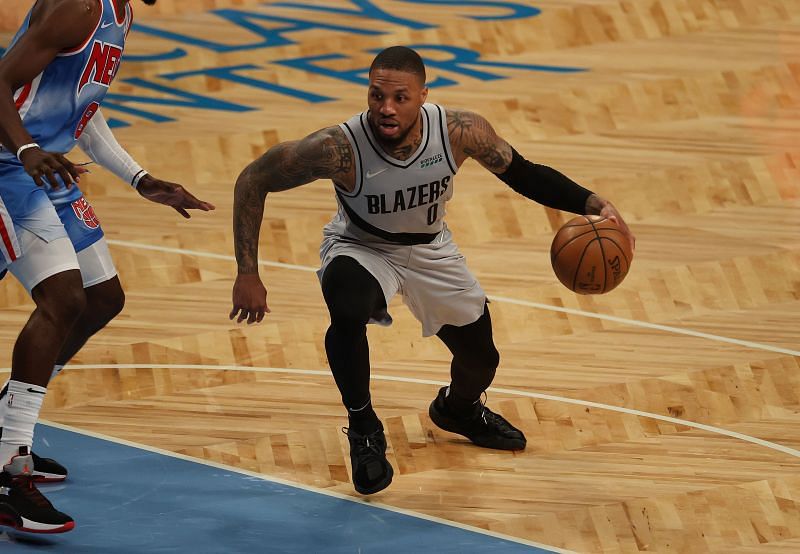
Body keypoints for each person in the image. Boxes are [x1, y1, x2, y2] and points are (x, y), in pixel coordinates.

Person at [230, 46, 635, 495]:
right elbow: (254, 179)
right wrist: (247, 271)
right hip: (362, 246)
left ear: (423, 96)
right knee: (347, 304)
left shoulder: (459, 131)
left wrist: (592, 203)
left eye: (400, 98)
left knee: (482, 359)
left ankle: (458, 410)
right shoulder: (338, 148)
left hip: (430, 249)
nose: (386, 108)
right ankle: (364, 427)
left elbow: (523, 173)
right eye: (376, 95)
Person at [0, 0, 213, 533]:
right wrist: (25, 148)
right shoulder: (75, 7)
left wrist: (140, 178)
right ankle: (9, 468)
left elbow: (82, 111)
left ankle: (5, 425)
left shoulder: (120, 15)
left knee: (101, 298)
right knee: (64, 298)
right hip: (10, 161)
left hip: (46, 164)